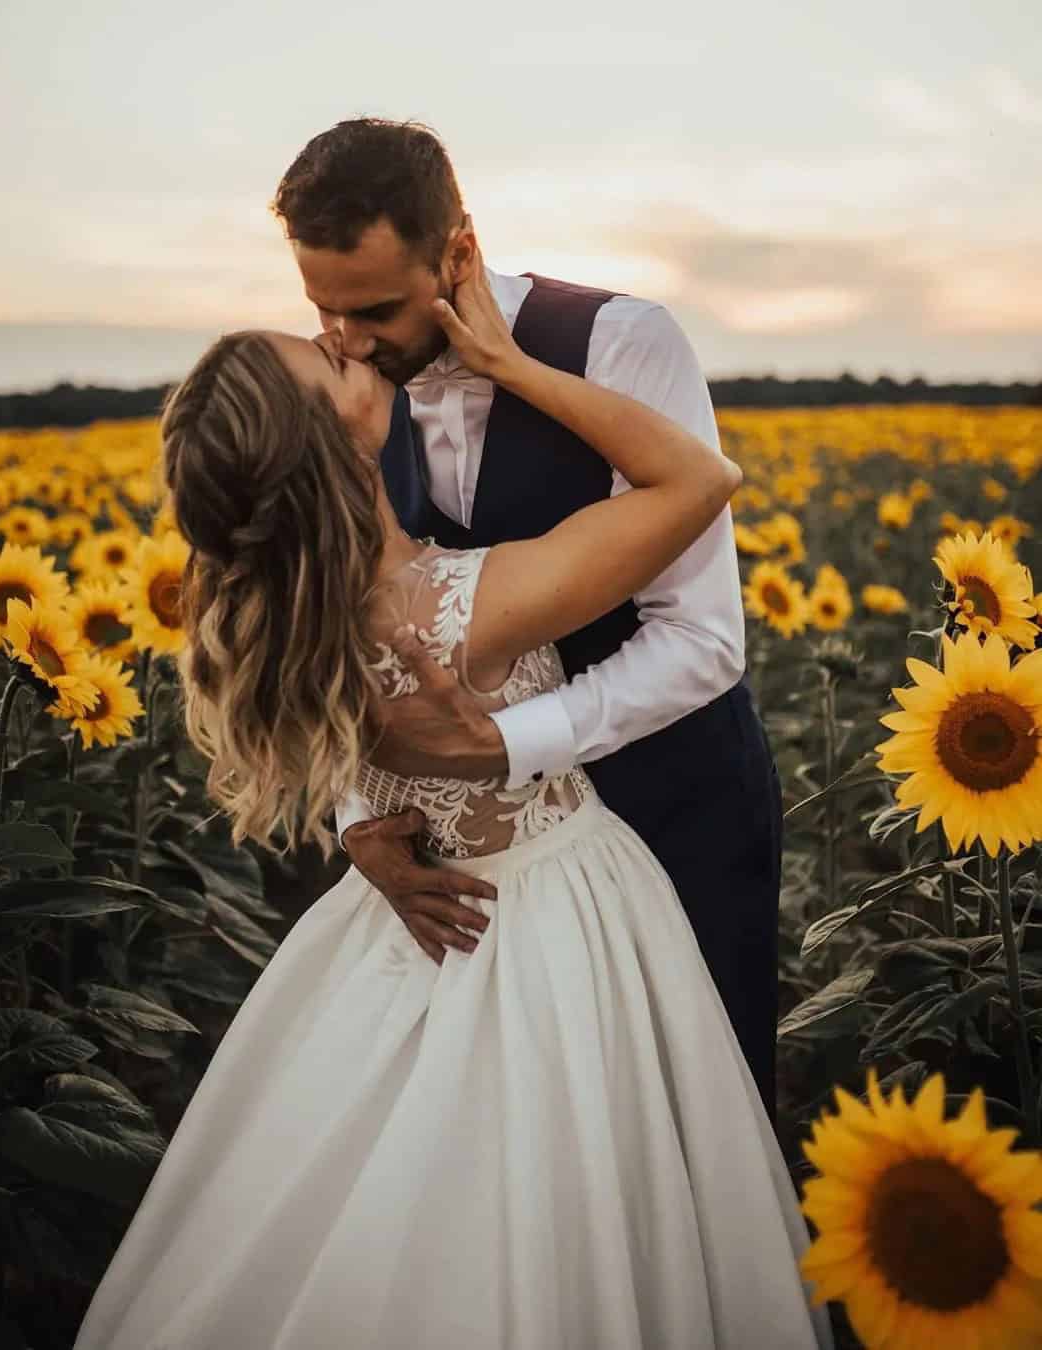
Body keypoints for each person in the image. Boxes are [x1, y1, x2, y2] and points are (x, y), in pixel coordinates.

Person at [71, 246, 832, 1349]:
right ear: (339, 446)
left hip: (399, 923)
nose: (342, 341)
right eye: (324, 359)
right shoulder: (456, 606)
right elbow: (701, 483)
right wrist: (512, 366)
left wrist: (358, 825)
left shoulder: (279, 606)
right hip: (549, 917)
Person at [274, 118, 784, 1127]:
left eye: (374, 308)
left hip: (675, 804)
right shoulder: (339, 390)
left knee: (694, 1121)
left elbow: (704, 640)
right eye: (323, 310)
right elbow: (331, 625)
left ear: (457, 250)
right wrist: (357, 821)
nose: (348, 340)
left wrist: (502, 747)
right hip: (485, 864)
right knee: (522, 1135)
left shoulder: (624, 343)